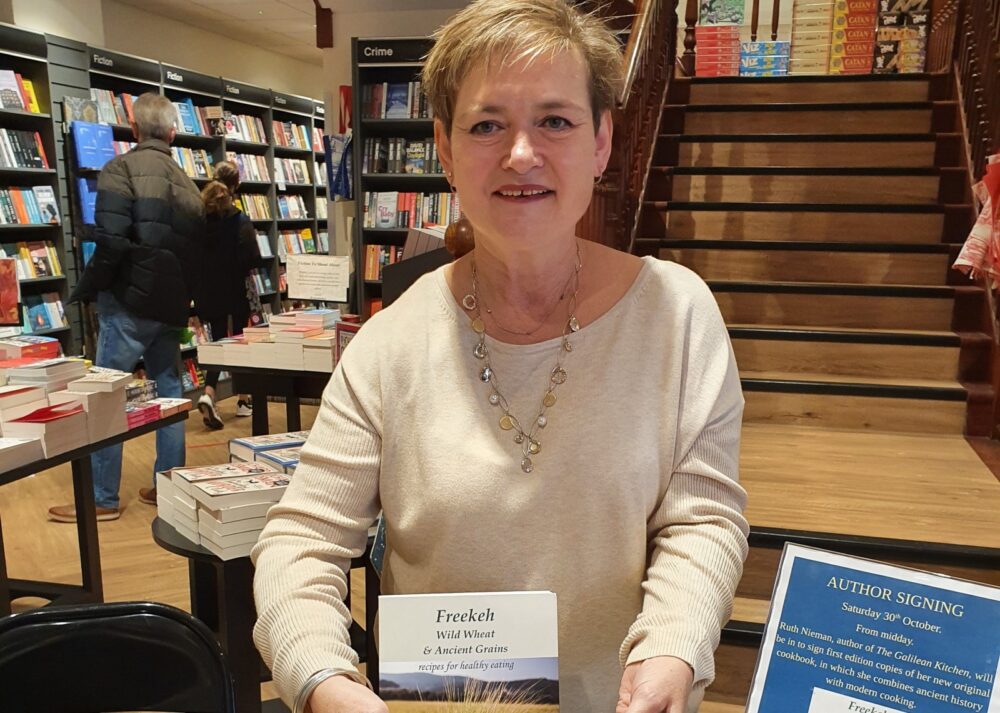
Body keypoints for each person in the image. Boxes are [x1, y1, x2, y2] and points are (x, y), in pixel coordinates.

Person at [252, 2, 749, 712]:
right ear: (446, 151)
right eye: (487, 124)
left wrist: (674, 644)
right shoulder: (392, 341)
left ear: (602, 141)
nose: (521, 153)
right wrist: (323, 679)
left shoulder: (678, 315)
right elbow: (302, 537)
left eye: (555, 120)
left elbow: (703, 520)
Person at [48, 93, 204, 523]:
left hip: (129, 302)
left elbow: (111, 241)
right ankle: (167, 485)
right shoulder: (188, 183)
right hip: (170, 306)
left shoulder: (119, 170)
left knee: (106, 397)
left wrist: (89, 288)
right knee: (170, 393)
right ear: (172, 132)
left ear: (133, 129)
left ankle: (102, 498)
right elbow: (197, 254)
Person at [195, 159, 262, 429]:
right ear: (236, 186)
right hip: (236, 292)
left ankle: (227, 395)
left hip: (208, 295)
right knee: (236, 342)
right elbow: (253, 257)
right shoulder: (239, 220)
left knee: (221, 340)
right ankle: (224, 395)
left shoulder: (201, 220)